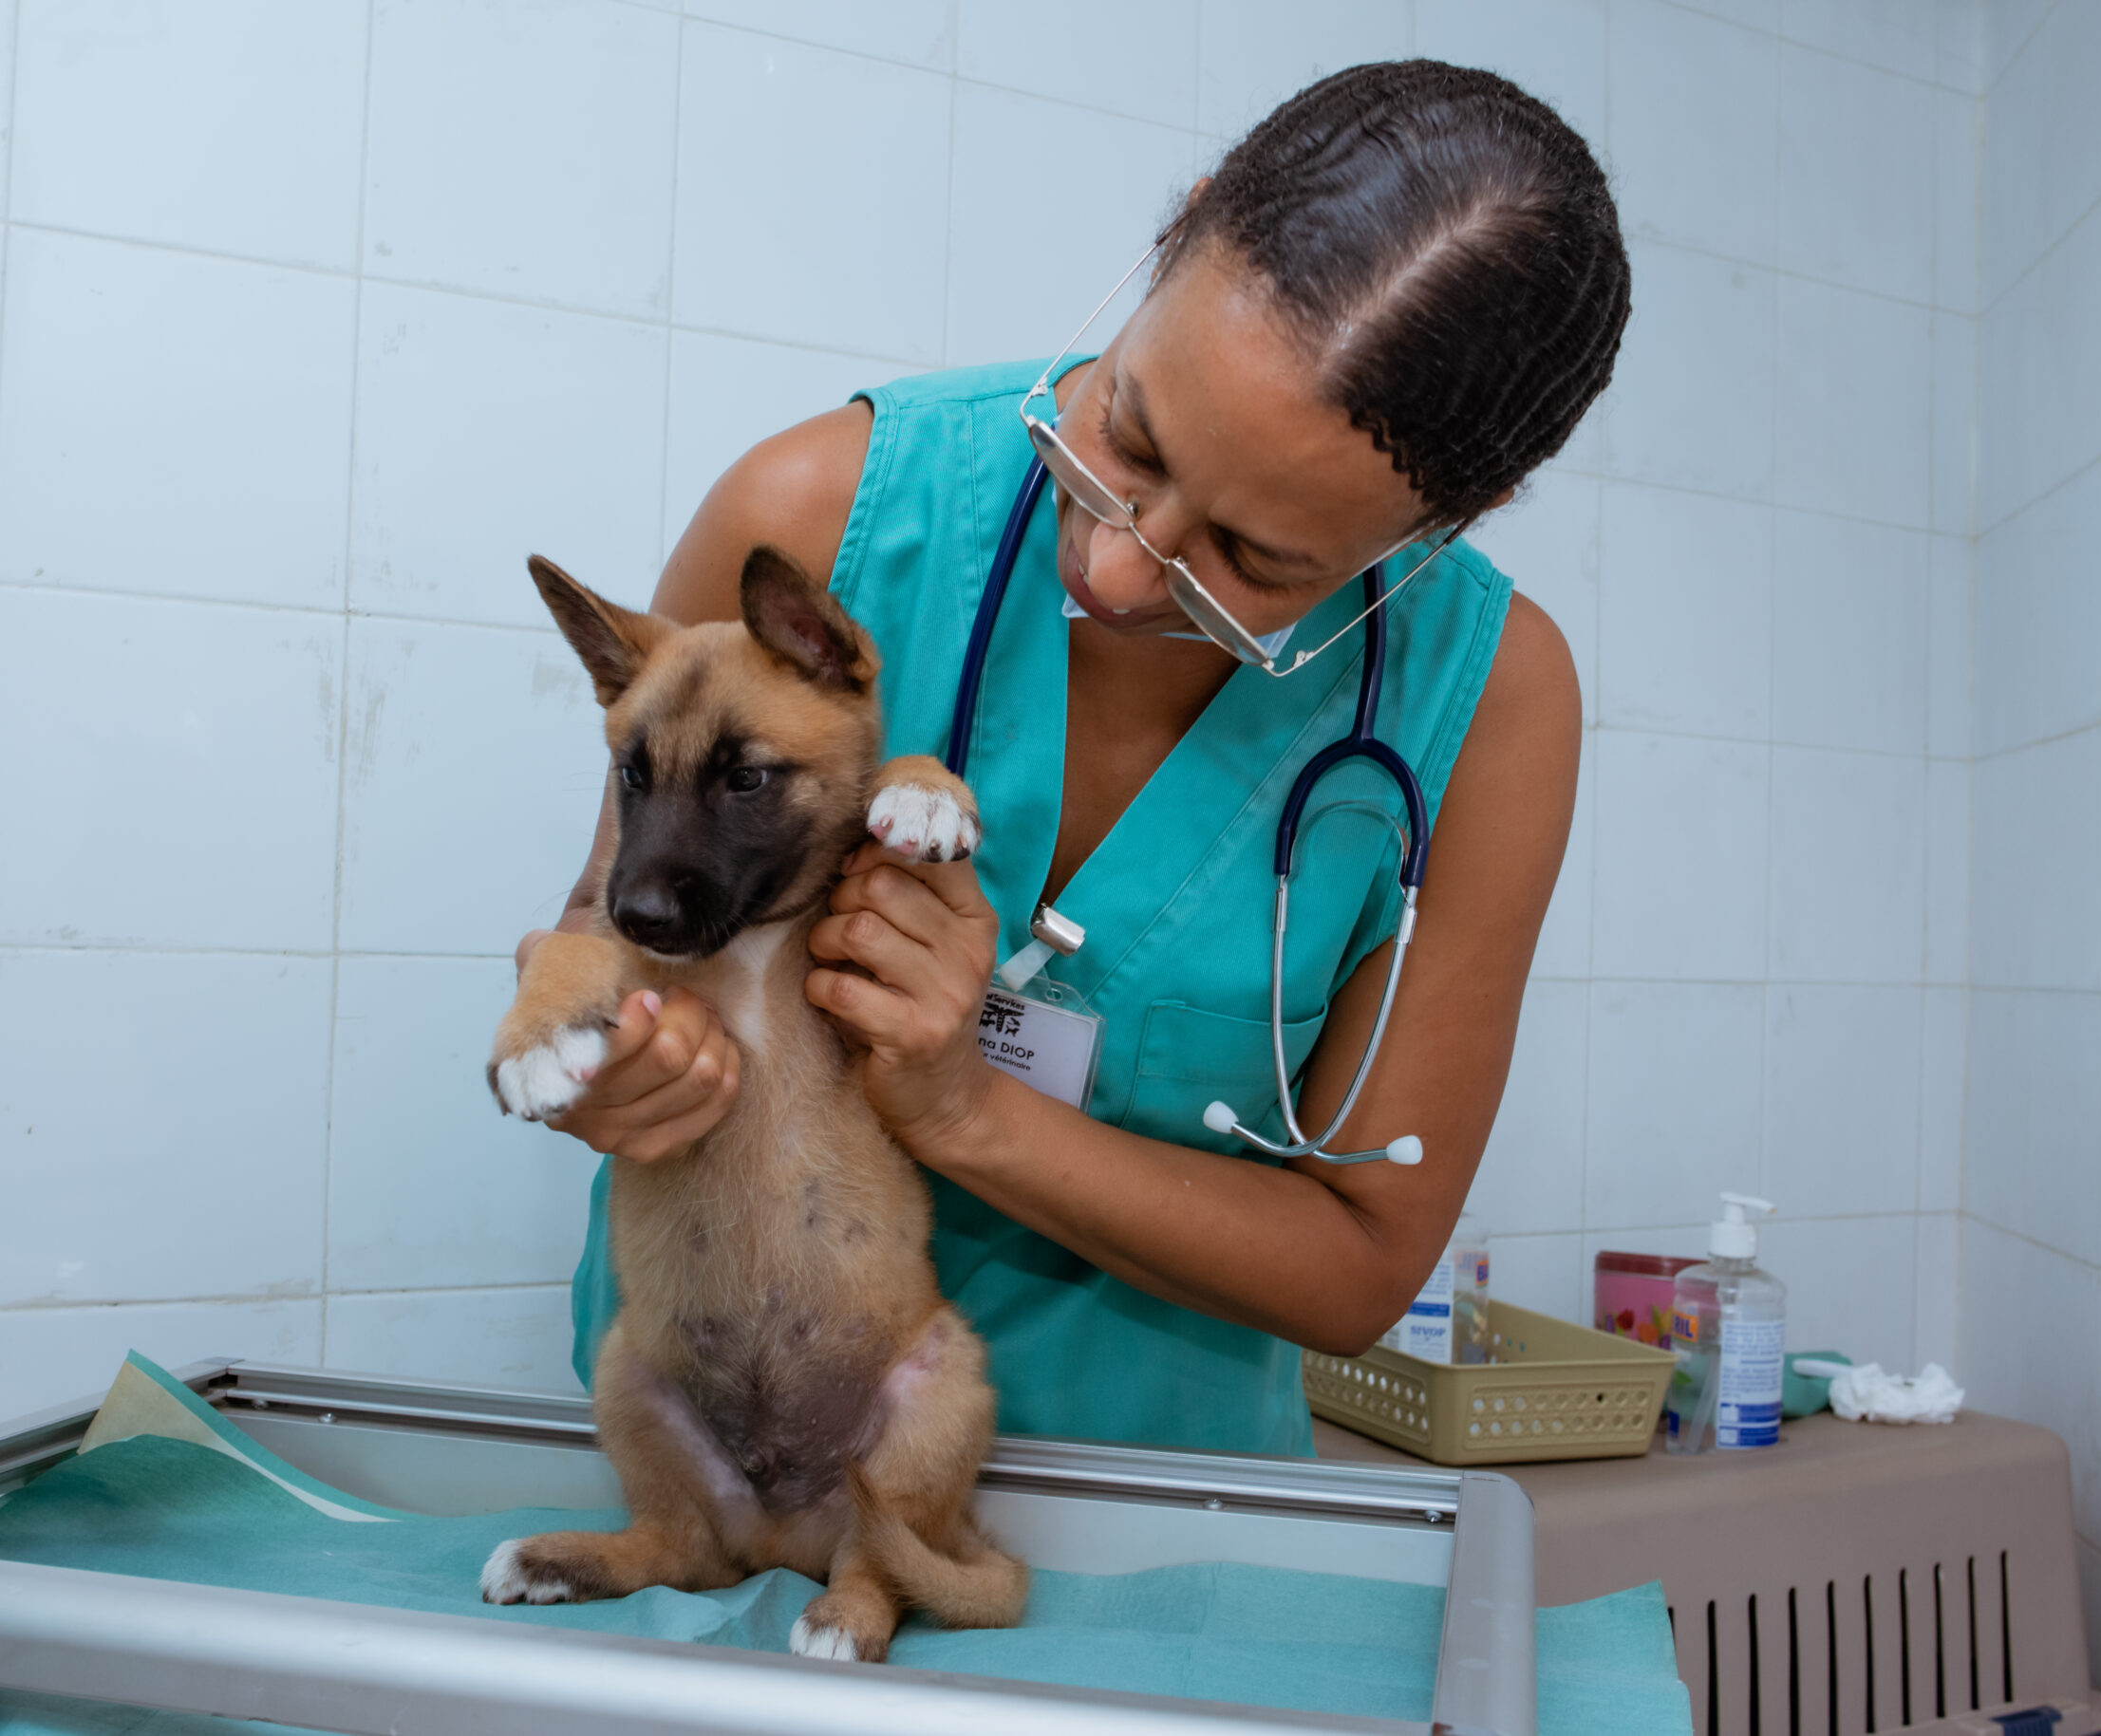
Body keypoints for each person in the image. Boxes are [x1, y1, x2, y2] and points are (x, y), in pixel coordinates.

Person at [520, 60, 1631, 1457]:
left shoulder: (1496, 706)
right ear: (1181, 227)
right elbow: (615, 926)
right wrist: (610, 1059)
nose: (1114, 567)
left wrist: (966, 1108)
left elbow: (1358, 1265)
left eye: (1251, 561)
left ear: (1461, 517)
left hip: (1148, 1534)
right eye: (1126, 435)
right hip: (714, 1458)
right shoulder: (818, 512)